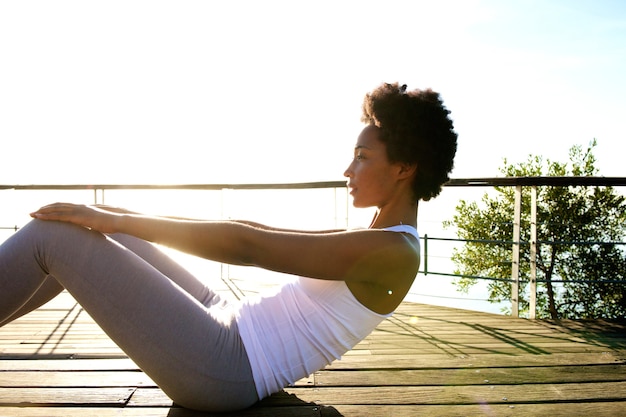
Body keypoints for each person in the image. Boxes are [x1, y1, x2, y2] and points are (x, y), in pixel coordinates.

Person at [0, 82, 457, 412]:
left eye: (362, 157)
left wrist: (113, 218)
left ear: (404, 168)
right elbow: (248, 227)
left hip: (227, 368)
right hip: (231, 325)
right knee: (105, 229)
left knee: (54, 235)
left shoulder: (394, 252)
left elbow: (247, 247)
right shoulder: (379, 235)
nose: (347, 169)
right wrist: (117, 220)